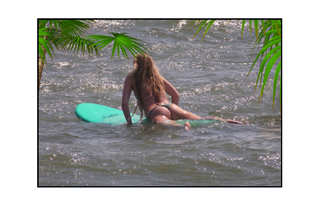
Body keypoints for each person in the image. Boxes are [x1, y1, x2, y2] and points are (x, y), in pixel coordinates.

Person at [121, 54, 242, 129]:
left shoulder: (131, 78)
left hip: (155, 111)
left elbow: (124, 103)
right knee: (202, 120)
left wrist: (129, 123)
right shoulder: (157, 77)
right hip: (172, 107)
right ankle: (228, 121)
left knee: (167, 125)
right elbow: (176, 95)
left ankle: (183, 126)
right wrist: (172, 112)